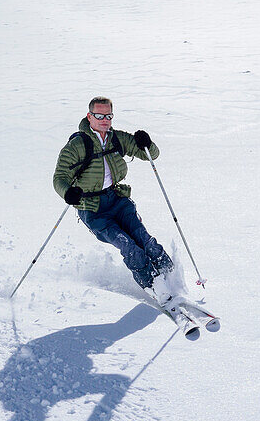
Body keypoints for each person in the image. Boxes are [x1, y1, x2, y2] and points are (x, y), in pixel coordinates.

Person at [53, 96, 173, 294]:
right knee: (129, 247)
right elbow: (59, 177)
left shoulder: (117, 138)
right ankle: (154, 288)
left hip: (118, 200)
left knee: (144, 239)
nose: (104, 120)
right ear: (89, 116)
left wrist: (147, 144)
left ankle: (171, 277)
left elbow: (152, 154)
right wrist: (68, 193)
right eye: (99, 115)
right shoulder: (77, 145)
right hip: (93, 209)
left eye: (108, 115)